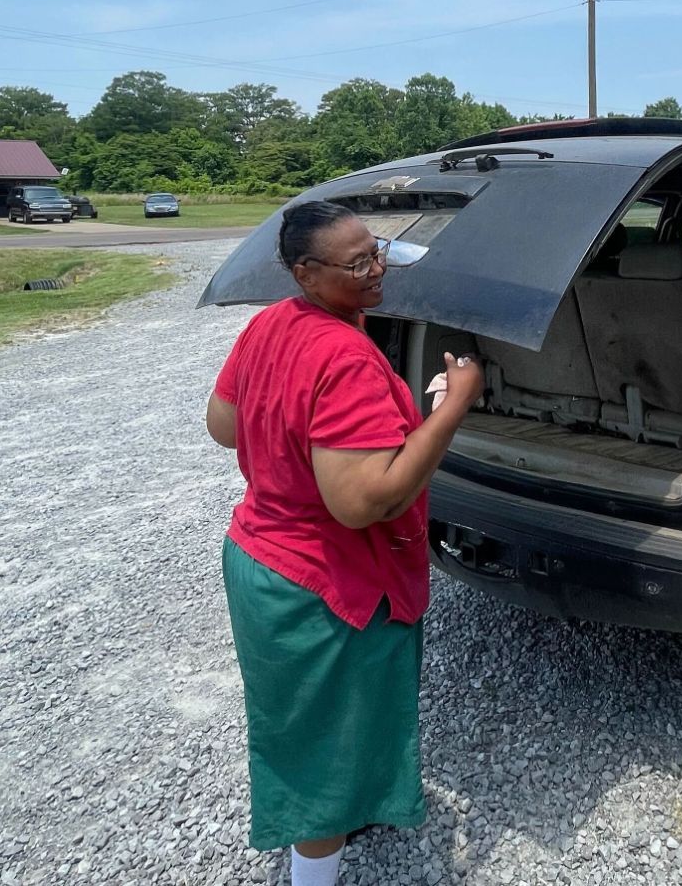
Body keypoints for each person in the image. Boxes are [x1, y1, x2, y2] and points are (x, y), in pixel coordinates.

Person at [205, 200, 484, 886]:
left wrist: (318, 436)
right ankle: (314, 870)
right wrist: (451, 408)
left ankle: (349, 815)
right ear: (305, 272)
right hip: (319, 585)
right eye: (358, 263)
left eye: (378, 251)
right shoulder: (347, 357)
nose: (377, 268)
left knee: (305, 723)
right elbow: (365, 500)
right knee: (325, 750)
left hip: (259, 559)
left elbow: (223, 424)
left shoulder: (271, 324)